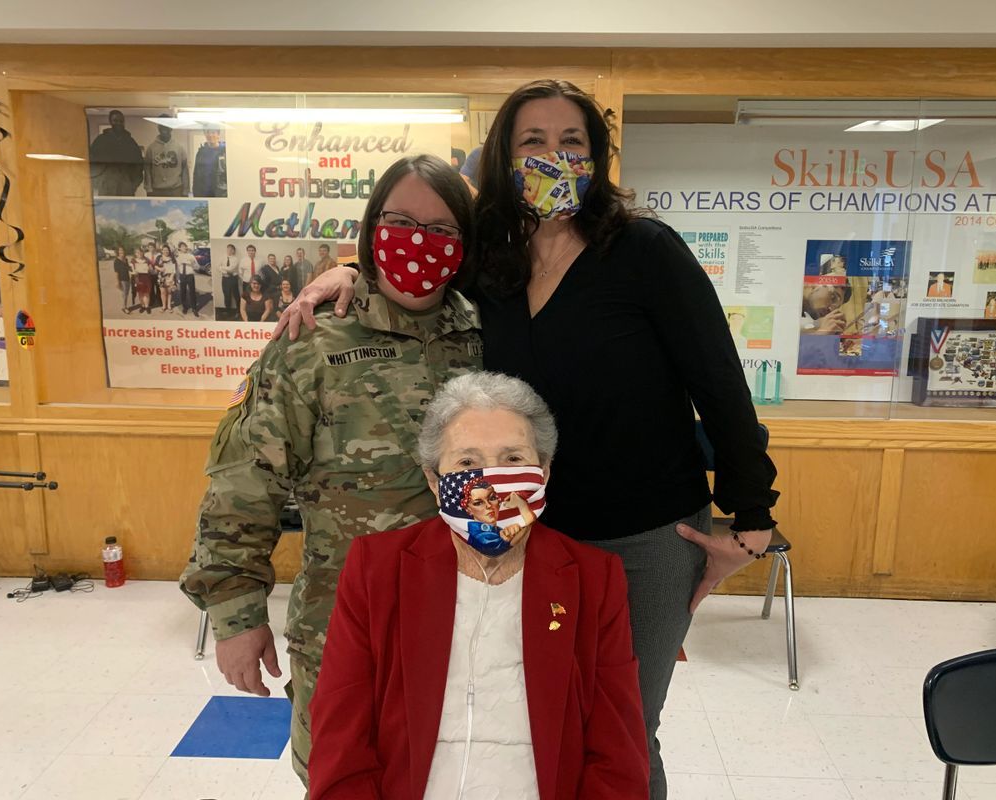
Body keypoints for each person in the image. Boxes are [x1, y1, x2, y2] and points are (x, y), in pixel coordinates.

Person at [277, 78, 778, 800]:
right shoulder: (490, 264)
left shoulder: (644, 252)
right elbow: (422, 258)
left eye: (570, 140)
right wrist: (348, 271)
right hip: (518, 533)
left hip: (643, 539)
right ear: (503, 160)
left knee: (626, 729)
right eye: (532, 141)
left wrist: (751, 518)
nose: (552, 155)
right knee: (536, 721)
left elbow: (722, 386)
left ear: (597, 155)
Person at [179, 153, 483, 789]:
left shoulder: (487, 333)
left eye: (442, 229)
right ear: (372, 226)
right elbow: (244, 482)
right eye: (401, 221)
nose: (419, 241)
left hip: (468, 627)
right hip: (345, 625)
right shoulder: (314, 337)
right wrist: (237, 615)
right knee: (343, 776)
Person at [308, 371, 649, 800]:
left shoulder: (594, 579)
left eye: (512, 459)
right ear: (435, 481)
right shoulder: (376, 569)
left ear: (543, 471)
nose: (492, 482)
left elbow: (617, 750)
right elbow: (342, 738)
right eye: (468, 463)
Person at [88, 109, 144, 196]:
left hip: (126, 186)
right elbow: (92, 161)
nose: (118, 123)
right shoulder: (101, 140)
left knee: (127, 209)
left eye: (121, 121)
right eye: (115, 121)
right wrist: (98, 183)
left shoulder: (130, 142)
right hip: (106, 186)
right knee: (107, 209)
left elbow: (139, 164)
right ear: (110, 122)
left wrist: (133, 184)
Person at [143, 117, 189, 197]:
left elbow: (185, 170)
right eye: (161, 125)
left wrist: (185, 190)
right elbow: (147, 170)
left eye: (167, 125)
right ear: (158, 127)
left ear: (171, 128)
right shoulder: (151, 148)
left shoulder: (180, 148)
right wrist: (149, 189)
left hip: (176, 190)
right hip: (156, 191)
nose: (164, 128)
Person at [192, 126, 227, 197]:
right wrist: (195, 192)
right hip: (203, 193)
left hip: (220, 193)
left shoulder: (225, 152)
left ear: (218, 134)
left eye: (213, 132)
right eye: (208, 132)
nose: (210, 135)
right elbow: (196, 174)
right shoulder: (200, 153)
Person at [175, 241, 200, 316]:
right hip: (182, 275)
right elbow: (177, 269)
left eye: (185, 246)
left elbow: (197, 267)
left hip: (190, 275)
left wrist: (192, 263)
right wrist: (178, 278)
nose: (184, 248)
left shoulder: (191, 256)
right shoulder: (178, 257)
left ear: (186, 247)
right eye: (182, 246)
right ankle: (185, 307)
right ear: (179, 248)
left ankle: (194, 308)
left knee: (192, 292)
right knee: (183, 292)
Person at [218, 243, 241, 315]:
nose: (229, 250)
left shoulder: (235, 259)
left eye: (231, 249)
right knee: (226, 295)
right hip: (225, 279)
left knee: (236, 295)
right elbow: (217, 267)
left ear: (233, 251)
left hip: (233, 278)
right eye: (228, 249)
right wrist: (224, 271)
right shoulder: (222, 257)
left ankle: (238, 311)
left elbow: (231, 269)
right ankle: (228, 311)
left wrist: (222, 267)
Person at [155, 244, 177, 313]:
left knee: (169, 292)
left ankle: (169, 306)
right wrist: (160, 268)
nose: (165, 251)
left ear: (169, 251)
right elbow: (155, 265)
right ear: (162, 251)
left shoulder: (172, 258)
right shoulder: (159, 257)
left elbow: (174, 269)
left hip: (170, 277)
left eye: (167, 250)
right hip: (161, 277)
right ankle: (164, 306)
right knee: (163, 292)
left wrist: (172, 277)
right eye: (164, 250)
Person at [132, 246, 154, 313]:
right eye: (137, 253)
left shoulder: (147, 260)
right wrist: (134, 272)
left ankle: (147, 306)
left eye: (140, 252)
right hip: (138, 278)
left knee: (146, 293)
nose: (139, 254)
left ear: (142, 253)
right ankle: (142, 306)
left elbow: (151, 269)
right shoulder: (133, 260)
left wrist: (149, 268)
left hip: (146, 278)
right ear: (135, 253)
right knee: (140, 293)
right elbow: (131, 270)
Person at [112, 245, 133, 314]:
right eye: (120, 250)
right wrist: (117, 281)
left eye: (123, 250)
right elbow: (116, 272)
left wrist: (133, 268)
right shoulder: (116, 261)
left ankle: (124, 306)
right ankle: (124, 307)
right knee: (124, 294)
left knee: (126, 293)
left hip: (127, 278)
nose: (122, 252)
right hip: (122, 279)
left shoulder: (125, 259)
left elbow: (128, 268)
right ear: (118, 252)